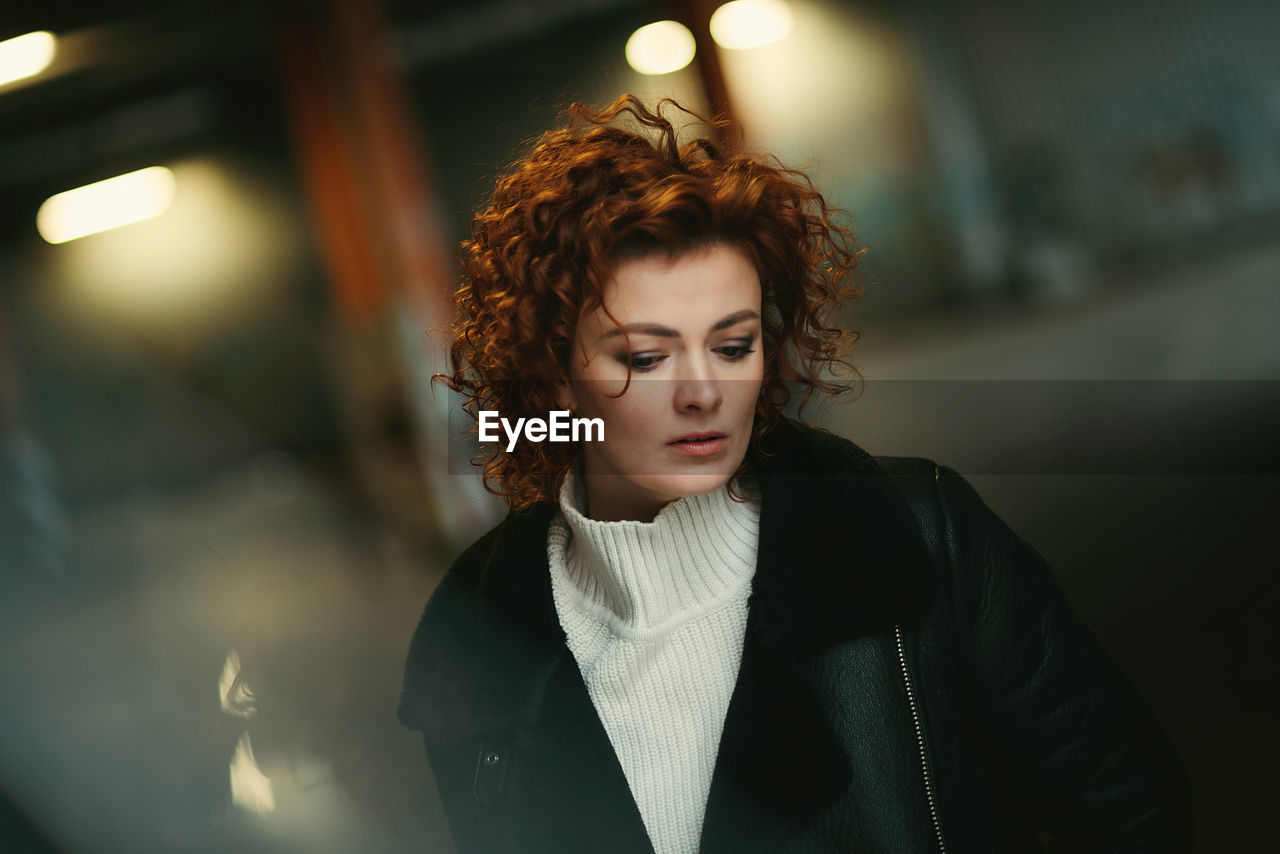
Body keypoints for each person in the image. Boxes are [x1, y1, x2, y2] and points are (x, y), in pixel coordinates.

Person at [397, 95, 1191, 853]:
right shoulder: (478, 636)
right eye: (646, 356)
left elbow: (1129, 808)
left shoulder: (916, 532)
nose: (705, 391)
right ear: (553, 377)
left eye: (734, 345)